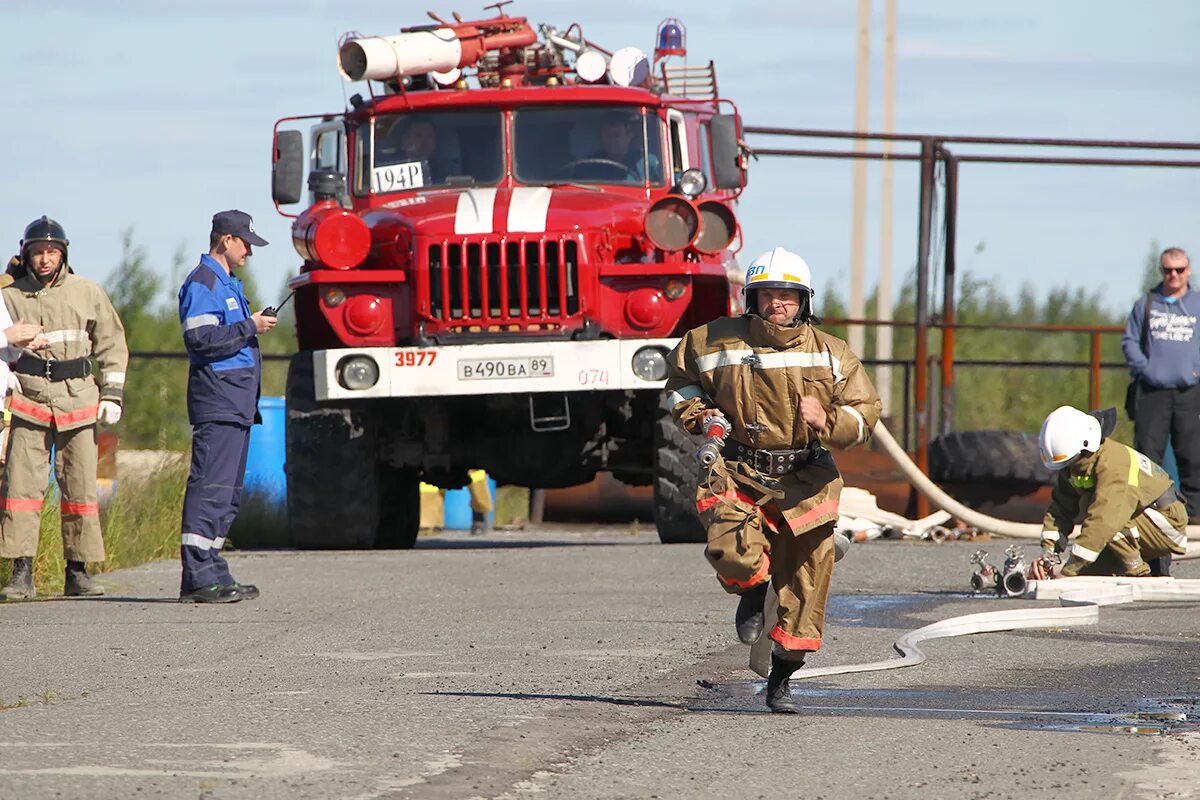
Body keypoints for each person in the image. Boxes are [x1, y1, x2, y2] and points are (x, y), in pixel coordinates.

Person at [664, 247, 882, 713]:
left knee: (806, 589)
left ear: (803, 300)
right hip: (739, 469)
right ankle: (753, 592)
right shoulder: (711, 341)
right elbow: (679, 382)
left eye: (786, 295)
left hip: (807, 480)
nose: (776, 304)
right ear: (751, 298)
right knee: (730, 550)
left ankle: (780, 682)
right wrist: (701, 416)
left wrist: (829, 418)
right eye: (766, 294)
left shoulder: (832, 355)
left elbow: (866, 415)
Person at [0, 216, 128, 602]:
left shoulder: (87, 292)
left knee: (80, 489)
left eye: (52, 252)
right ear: (25, 254)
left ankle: (79, 571)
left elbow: (112, 343)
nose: (44, 259)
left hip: (79, 402)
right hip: (28, 401)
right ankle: (21, 573)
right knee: (20, 490)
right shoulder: (9, 296)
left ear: (64, 254)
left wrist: (113, 395)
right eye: (37, 252)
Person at [177, 210, 276, 603]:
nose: (250, 251)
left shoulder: (229, 284)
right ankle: (199, 577)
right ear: (225, 241)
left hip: (234, 402)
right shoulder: (203, 283)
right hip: (217, 399)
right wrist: (250, 327)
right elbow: (199, 339)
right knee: (210, 488)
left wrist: (251, 324)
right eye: (246, 243)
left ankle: (213, 571)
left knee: (227, 493)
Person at [1032, 405, 1187, 580]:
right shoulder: (1076, 464)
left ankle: (1140, 573)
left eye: (1070, 462)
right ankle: (1146, 557)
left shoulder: (1115, 465)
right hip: (1134, 521)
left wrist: (1069, 570)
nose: (1067, 469)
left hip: (1166, 523)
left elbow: (1104, 521)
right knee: (1087, 575)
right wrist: (1048, 554)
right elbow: (1060, 509)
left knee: (1103, 526)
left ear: (1085, 447)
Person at [1121, 247, 1200, 525]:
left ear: (1188, 270)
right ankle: (1147, 509)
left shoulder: (1197, 304)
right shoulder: (1147, 303)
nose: (1174, 275)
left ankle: (1193, 512)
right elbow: (1129, 341)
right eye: (1168, 270)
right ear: (1162, 271)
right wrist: (1146, 368)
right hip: (1152, 390)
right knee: (1147, 453)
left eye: (1179, 270)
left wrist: (1195, 370)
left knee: (1191, 452)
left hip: (1188, 390)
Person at [570, 112, 658, 182]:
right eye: (607, 135)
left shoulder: (647, 162)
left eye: (617, 135)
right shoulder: (587, 166)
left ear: (629, 135)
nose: (611, 139)